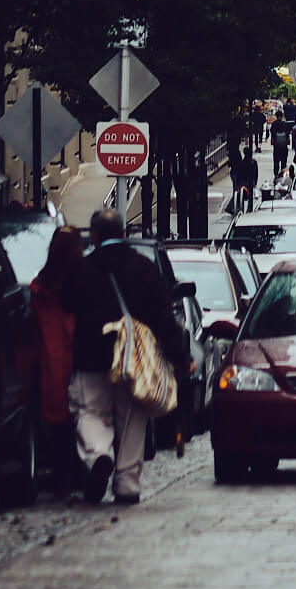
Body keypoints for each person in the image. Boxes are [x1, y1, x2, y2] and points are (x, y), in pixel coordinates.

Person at [64, 208, 187, 508]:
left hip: (91, 356)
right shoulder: (143, 267)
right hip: (135, 359)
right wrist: (179, 355)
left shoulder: (81, 269)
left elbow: (66, 307)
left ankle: (98, 456)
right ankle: (128, 483)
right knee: (133, 418)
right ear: (123, 233)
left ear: (93, 235)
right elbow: (163, 315)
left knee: (90, 411)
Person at [28, 224, 83, 499]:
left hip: (50, 361)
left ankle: (61, 477)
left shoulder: (41, 288)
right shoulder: (82, 282)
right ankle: (79, 473)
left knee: (56, 424)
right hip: (79, 356)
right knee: (84, 418)